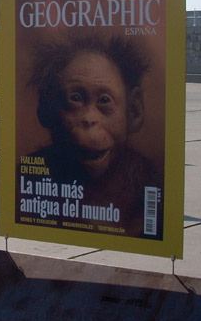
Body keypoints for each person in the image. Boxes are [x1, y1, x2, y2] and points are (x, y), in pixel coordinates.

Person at [27, 33, 163, 238]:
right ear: (46, 109)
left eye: (104, 101)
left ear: (134, 111)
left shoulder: (149, 187)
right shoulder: (29, 182)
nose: (89, 118)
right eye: (75, 99)